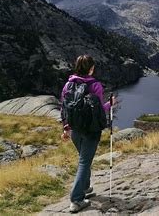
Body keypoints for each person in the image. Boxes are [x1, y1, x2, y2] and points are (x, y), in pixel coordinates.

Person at [60, 55, 114, 213]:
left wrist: (65, 128)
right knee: (84, 162)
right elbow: (97, 111)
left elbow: (64, 108)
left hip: (75, 130)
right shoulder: (95, 85)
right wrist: (109, 104)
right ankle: (76, 200)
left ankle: (86, 188)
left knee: (84, 160)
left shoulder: (68, 84)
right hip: (90, 131)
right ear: (91, 68)